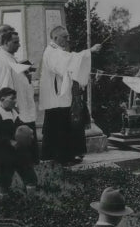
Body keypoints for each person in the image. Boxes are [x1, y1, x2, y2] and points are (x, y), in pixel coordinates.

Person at [40, 26, 100, 165]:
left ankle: (65, 156)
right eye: (64, 37)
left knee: (62, 126)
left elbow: (70, 59)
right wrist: (90, 51)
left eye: (68, 36)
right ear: (55, 38)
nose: (68, 39)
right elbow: (69, 62)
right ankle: (60, 158)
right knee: (59, 127)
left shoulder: (57, 51)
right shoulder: (53, 52)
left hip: (61, 96)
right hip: (57, 97)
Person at [0, 87, 38, 192]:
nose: (15, 101)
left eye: (15, 99)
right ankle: (4, 204)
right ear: (2, 99)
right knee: (5, 183)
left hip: (18, 153)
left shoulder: (14, 114)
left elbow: (20, 129)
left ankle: (32, 203)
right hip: (3, 156)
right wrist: (9, 141)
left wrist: (27, 133)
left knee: (30, 177)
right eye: (12, 99)